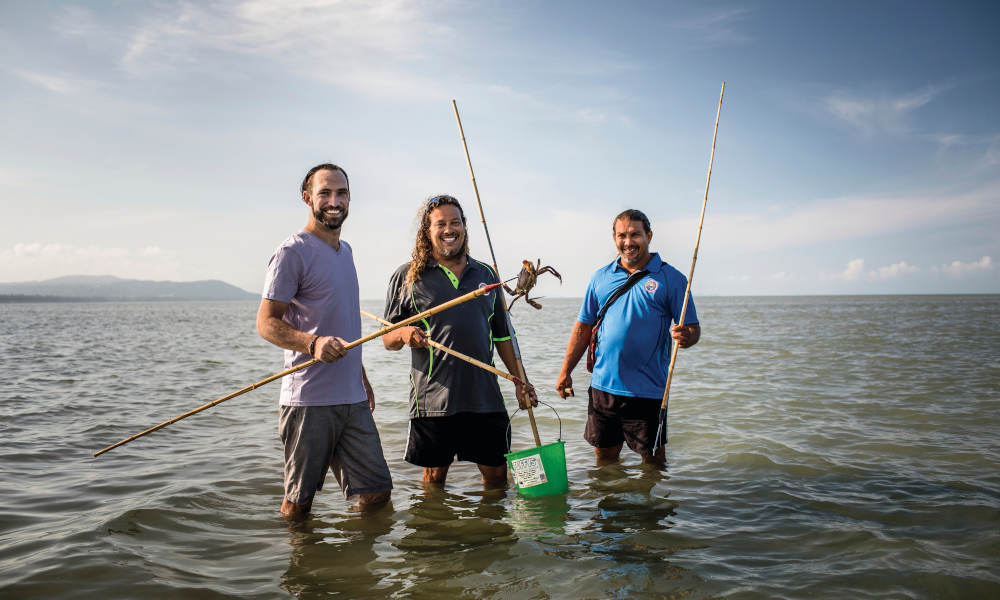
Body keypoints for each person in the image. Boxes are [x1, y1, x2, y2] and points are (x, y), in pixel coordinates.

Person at [257, 163, 392, 519]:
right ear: (307, 198)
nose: (334, 201)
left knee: (377, 495)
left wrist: (360, 375)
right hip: (308, 400)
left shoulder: (346, 251)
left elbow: (341, 320)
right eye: (325, 193)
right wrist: (313, 344)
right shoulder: (292, 252)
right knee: (299, 507)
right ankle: (299, 569)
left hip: (352, 398)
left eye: (342, 193)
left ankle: (356, 571)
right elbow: (266, 322)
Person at [382, 194, 537, 487]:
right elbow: (387, 338)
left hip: (485, 397)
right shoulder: (407, 276)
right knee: (434, 480)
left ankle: (491, 531)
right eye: (440, 224)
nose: (448, 229)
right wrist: (404, 334)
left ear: (465, 227)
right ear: (427, 232)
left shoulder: (487, 274)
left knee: (496, 478)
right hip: (433, 401)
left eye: (455, 222)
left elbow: (503, 335)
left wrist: (521, 382)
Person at [555, 209, 700, 467]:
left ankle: (647, 508)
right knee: (605, 462)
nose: (628, 242)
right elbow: (582, 328)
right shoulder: (600, 277)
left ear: (649, 236)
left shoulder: (672, 278)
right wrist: (565, 371)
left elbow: (692, 330)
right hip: (603, 388)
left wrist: (686, 336)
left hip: (648, 391)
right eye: (622, 235)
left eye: (635, 235)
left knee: (653, 464)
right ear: (614, 238)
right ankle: (610, 505)